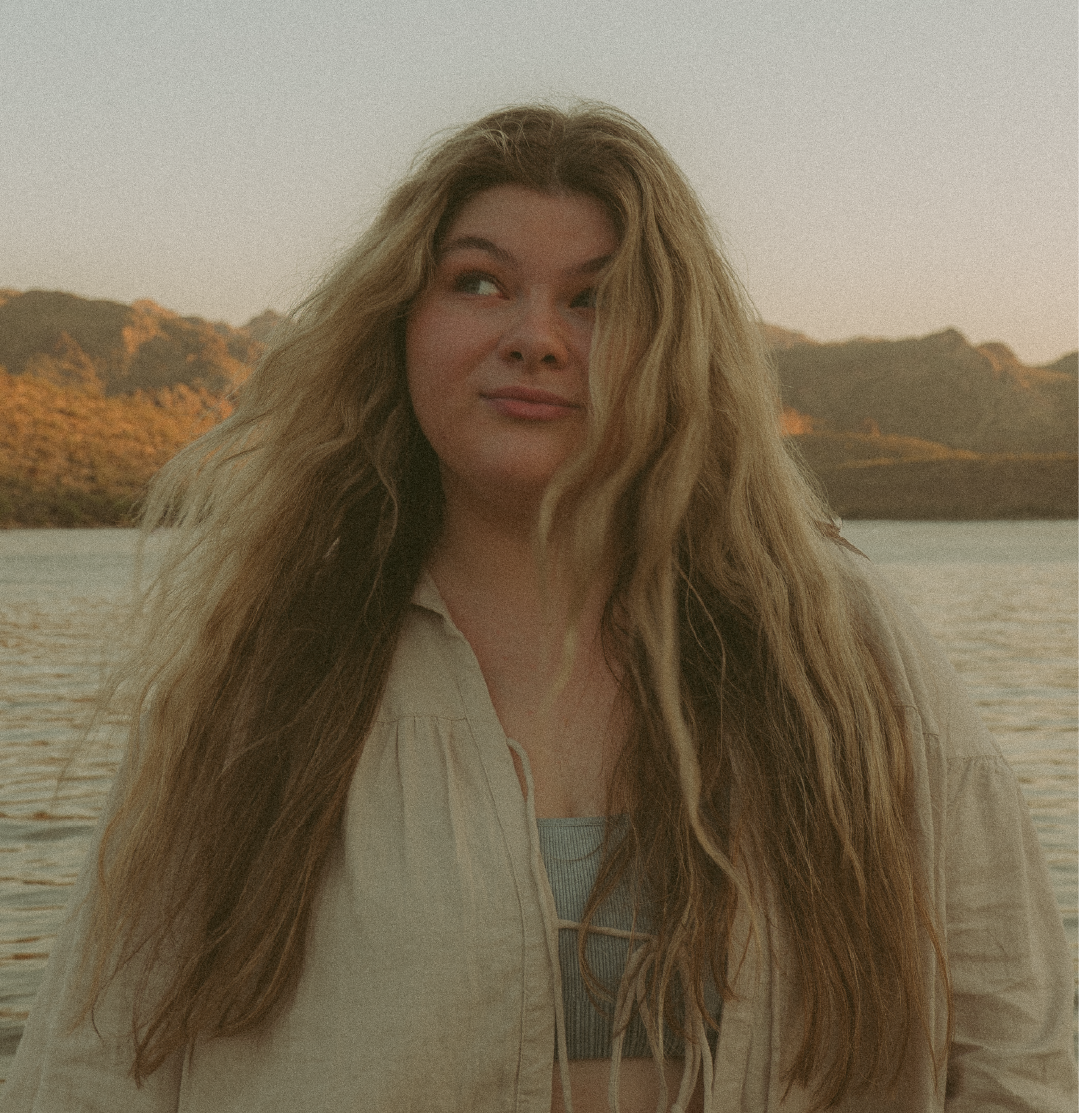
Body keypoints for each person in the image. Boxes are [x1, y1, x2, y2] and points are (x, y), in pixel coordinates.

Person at [2, 104, 1075, 1113]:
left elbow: (1015, 1054)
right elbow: (93, 1067)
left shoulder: (840, 648)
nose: (536, 337)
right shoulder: (271, 668)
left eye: (596, 299)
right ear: (401, 325)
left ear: (678, 350)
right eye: (479, 283)